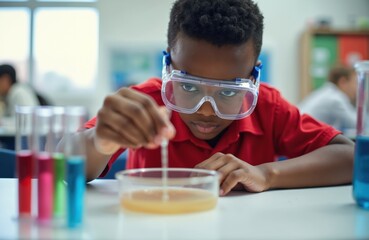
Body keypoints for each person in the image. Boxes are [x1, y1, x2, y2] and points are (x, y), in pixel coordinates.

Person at [80, 0, 354, 196]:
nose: (207, 112)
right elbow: (67, 161)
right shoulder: (145, 102)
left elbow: (351, 157)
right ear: (168, 66)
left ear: (253, 76)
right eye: (188, 87)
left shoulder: (269, 107)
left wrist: (267, 174)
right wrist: (99, 141)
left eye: (228, 91)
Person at [299, 64, 357, 133]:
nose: (356, 88)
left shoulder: (325, 92)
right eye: (355, 83)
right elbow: (357, 124)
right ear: (343, 82)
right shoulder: (335, 98)